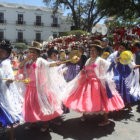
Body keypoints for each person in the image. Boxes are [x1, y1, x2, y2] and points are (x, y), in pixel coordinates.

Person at [64, 44, 124, 126]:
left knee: (102, 101)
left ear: (98, 52)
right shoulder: (88, 60)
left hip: (97, 83)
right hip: (87, 82)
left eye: (93, 50)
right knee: (84, 99)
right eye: (90, 50)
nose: (91, 52)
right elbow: (84, 68)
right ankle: (84, 114)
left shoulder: (100, 60)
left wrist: (115, 61)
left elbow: (109, 65)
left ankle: (106, 119)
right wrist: (83, 72)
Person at [18, 42, 64, 132]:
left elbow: (48, 65)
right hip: (30, 88)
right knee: (31, 106)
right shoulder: (28, 61)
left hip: (40, 88)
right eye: (30, 52)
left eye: (33, 52)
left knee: (42, 106)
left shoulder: (41, 61)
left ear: (38, 53)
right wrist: (25, 60)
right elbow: (20, 67)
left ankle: (46, 123)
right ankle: (33, 122)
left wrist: (56, 63)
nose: (31, 54)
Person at [107, 42, 140, 111]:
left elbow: (131, 64)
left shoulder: (126, 55)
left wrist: (136, 66)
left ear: (125, 50)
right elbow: (108, 63)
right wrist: (115, 61)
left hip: (124, 75)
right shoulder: (114, 55)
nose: (120, 49)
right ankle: (116, 105)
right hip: (114, 74)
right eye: (120, 47)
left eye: (123, 48)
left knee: (126, 89)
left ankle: (127, 104)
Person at [0, 40, 23, 140]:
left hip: (3, 95)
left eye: (2, 51)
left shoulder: (6, 64)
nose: (0, 52)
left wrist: (9, 80)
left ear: (7, 53)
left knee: (8, 117)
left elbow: (10, 79)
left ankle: (12, 138)